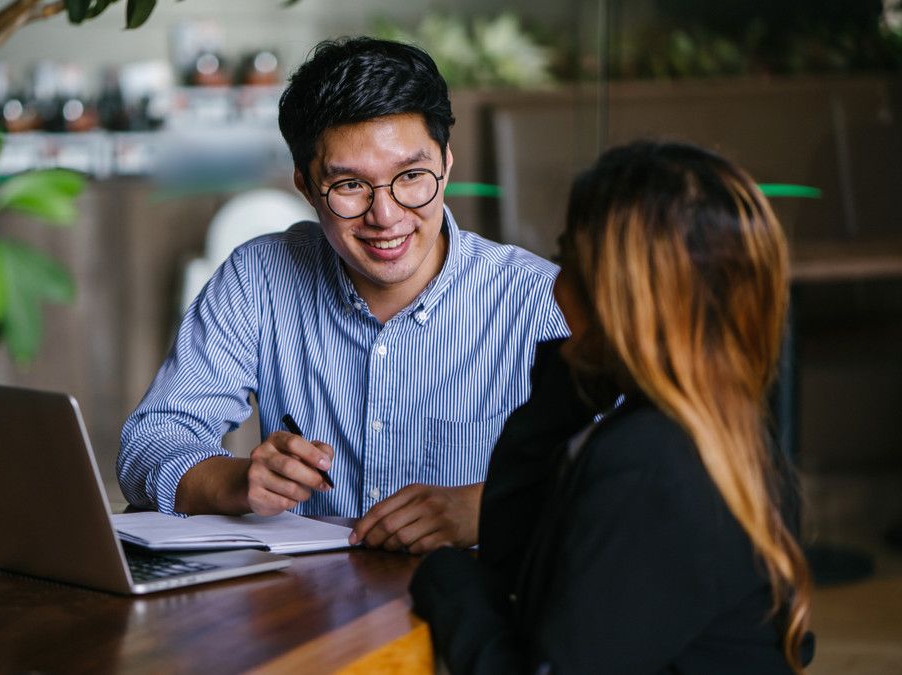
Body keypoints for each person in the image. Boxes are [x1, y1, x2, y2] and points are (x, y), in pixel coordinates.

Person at [117, 37, 566, 552]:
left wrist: (490, 509)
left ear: (445, 164)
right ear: (306, 188)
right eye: (350, 186)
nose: (386, 215)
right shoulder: (259, 277)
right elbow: (149, 444)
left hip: (476, 604)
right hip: (306, 604)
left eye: (411, 176)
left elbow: (631, 467)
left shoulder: (538, 299)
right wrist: (239, 482)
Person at [410, 140, 815, 673]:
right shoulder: (719, 430)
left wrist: (442, 576)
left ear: (616, 294)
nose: (554, 290)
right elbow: (520, 572)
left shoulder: (648, 462)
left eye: (566, 260)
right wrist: (575, 375)